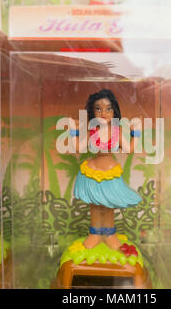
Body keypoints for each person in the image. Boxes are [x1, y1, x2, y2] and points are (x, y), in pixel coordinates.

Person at [70, 89, 142, 250]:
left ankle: (109, 234)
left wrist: (136, 133)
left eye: (108, 109)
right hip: (92, 172)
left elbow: (129, 149)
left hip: (110, 173)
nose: (103, 113)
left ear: (114, 111)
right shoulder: (92, 132)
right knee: (94, 205)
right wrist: (73, 130)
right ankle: (95, 234)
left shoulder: (117, 131)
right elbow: (79, 148)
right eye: (98, 108)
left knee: (109, 205)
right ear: (92, 111)